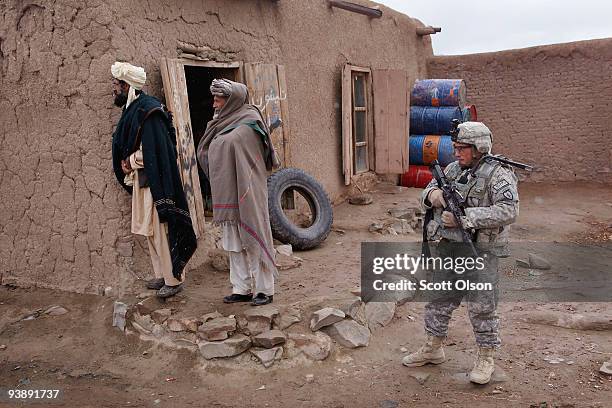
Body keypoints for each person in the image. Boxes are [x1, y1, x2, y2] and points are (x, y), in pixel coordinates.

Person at [403, 122, 519, 384]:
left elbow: (509, 211)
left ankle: (486, 357)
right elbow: (429, 188)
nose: (456, 152)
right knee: (438, 299)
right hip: (448, 248)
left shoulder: (499, 174)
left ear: (479, 148)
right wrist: (433, 195)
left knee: (482, 306)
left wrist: (465, 218)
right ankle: (433, 347)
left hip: (480, 252)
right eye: (455, 147)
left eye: (462, 148)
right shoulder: (453, 170)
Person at [110, 62, 197, 298]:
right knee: (150, 231)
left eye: (117, 84)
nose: (114, 89)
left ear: (128, 85)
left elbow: (156, 150)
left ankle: (174, 278)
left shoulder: (149, 111)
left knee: (160, 231)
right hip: (142, 181)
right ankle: (162, 274)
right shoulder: (134, 109)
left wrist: (131, 161)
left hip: (155, 181)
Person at [197, 78, 279, 306]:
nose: (214, 104)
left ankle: (264, 289)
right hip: (227, 192)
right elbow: (208, 148)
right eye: (214, 99)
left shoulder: (249, 122)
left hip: (248, 191)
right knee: (233, 243)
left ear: (232, 99)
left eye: (218, 99)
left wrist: (218, 147)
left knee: (254, 235)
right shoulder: (220, 123)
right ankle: (241, 288)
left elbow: (246, 154)